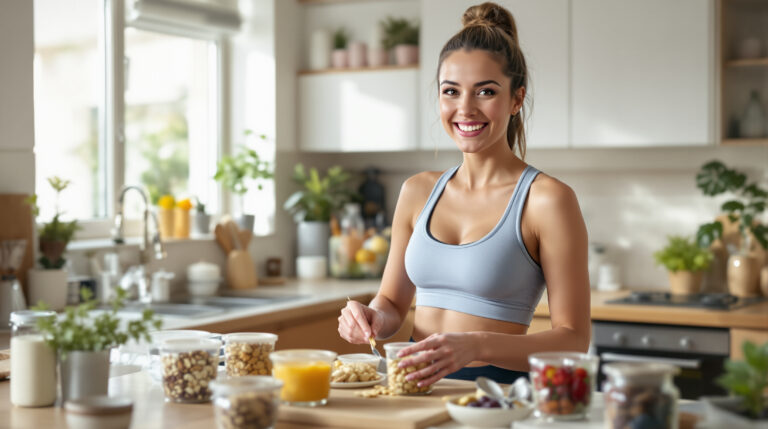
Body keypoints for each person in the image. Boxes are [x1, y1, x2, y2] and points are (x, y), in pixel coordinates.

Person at [338, 1, 591, 387]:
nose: (465, 109)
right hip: (409, 387)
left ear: (516, 99)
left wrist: (476, 346)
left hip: (494, 396)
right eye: (450, 92)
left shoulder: (547, 200)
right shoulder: (417, 191)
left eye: (485, 91)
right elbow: (391, 304)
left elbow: (573, 341)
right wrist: (371, 317)